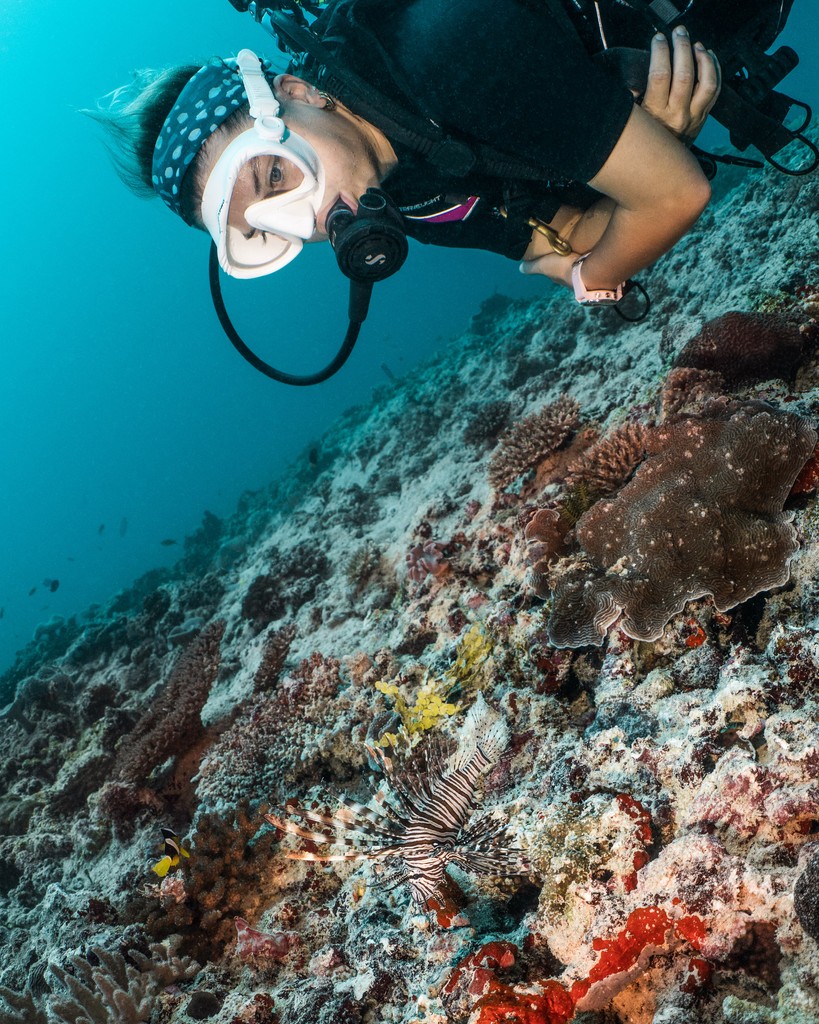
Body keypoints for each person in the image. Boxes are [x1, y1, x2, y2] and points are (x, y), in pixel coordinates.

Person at [92, 0, 722, 310]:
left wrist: (594, 279)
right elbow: (574, 230)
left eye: (273, 176)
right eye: (266, 230)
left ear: (295, 92)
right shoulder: (410, 197)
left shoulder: (446, 51)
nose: (310, 221)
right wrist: (643, 174)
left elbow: (673, 197)